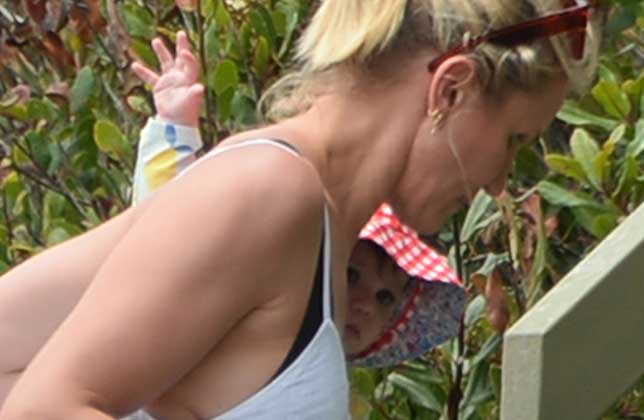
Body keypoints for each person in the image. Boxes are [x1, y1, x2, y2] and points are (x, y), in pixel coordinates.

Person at [0, 0, 602, 418]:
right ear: (452, 88)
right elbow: (43, 410)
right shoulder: (267, 190)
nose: (499, 181)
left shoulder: (310, 222)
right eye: (514, 140)